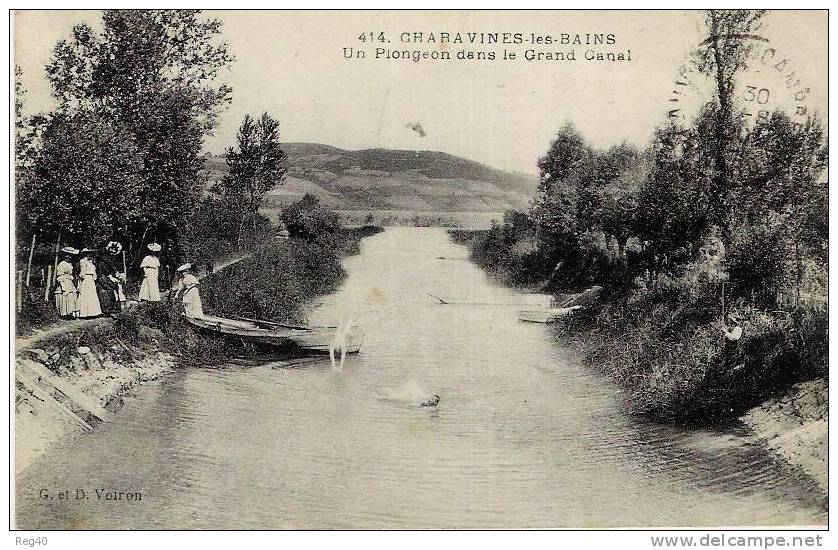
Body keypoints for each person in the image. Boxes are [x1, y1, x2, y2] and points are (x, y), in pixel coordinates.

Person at [76, 248, 103, 318]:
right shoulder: (82, 261)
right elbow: (82, 273)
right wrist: (82, 280)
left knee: (92, 295)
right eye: (88, 253)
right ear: (85, 254)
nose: (90, 254)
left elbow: (94, 271)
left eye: (90, 253)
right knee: (86, 295)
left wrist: (94, 277)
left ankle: (93, 312)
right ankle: (85, 313)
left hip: (91, 279)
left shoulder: (91, 262)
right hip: (86, 279)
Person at [54, 247, 79, 318]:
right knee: (65, 294)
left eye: (70, 255)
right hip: (64, 281)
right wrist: (63, 285)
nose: (69, 257)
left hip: (69, 281)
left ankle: (70, 312)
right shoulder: (61, 264)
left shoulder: (69, 264)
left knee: (71, 295)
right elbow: (60, 276)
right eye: (67, 255)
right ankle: (64, 313)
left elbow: (70, 274)